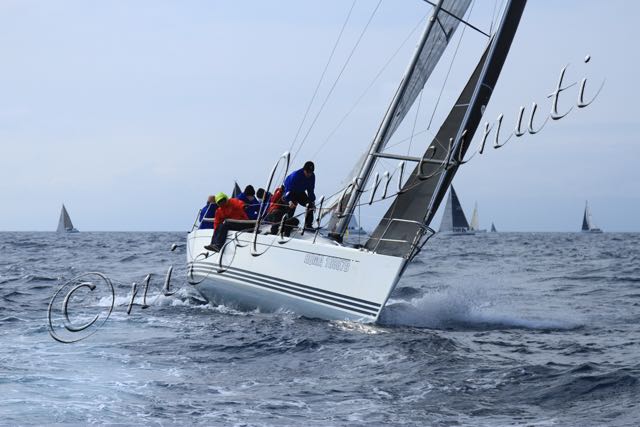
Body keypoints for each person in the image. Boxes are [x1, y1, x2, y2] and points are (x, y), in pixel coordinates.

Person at [283, 161, 316, 229]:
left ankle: (308, 225)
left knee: (309, 205)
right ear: (304, 170)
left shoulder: (312, 176)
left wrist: (312, 201)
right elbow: (287, 190)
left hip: (300, 192)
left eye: (311, 172)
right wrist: (289, 201)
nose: (309, 174)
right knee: (291, 207)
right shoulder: (296, 176)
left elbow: (310, 190)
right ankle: (286, 225)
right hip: (289, 191)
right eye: (307, 172)